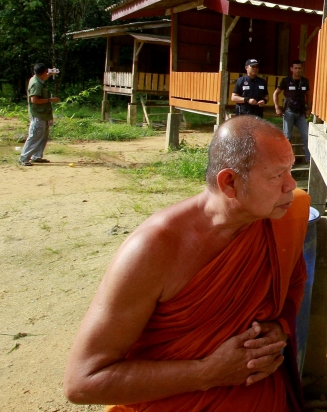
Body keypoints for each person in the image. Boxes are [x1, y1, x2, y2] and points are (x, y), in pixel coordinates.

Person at [63, 116, 310, 411]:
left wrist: (279, 327)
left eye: (291, 169)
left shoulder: (285, 216)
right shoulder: (154, 249)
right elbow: (83, 382)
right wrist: (206, 373)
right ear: (229, 182)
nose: (291, 185)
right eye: (277, 175)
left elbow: (294, 283)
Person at [18, 63, 59, 167]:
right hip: (38, 114)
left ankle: (36, 156)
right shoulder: (36, 83)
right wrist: (50, 100)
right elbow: (34, 100)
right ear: (43, 72)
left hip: (43, 114)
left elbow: (43, 78)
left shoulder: (37, 79)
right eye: (46, 71)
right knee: (35, 136)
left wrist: (50, 74)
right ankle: (24, 158)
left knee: (42, 136)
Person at [273, 60, 310, 162]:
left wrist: (308, 108)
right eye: (295, 68)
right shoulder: (286, 80)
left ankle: (308, 159)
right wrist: (277, 107)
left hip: (301, 113)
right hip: (289, 112)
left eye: (299, 68)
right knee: (287, 137)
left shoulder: (305, 81)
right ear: (291, 69)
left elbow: (308, 95)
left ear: (301, 69)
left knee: (306, 135)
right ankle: (286, 160)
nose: (297, 70)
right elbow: (275, 93)